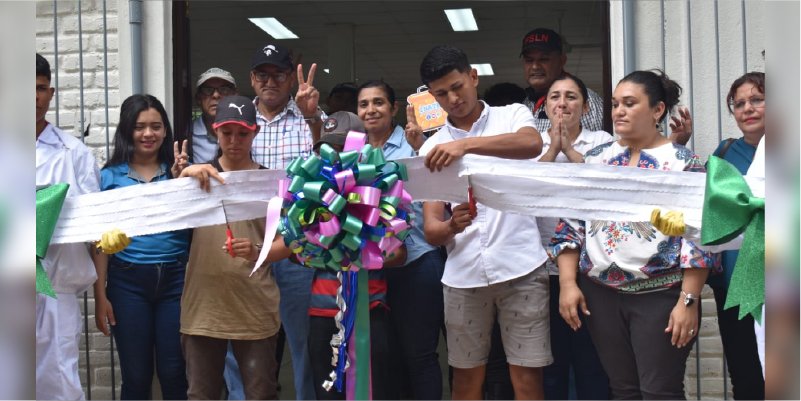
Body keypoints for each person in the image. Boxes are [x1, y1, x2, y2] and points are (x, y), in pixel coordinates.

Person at [551, 69, 719, 399]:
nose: (619, 112)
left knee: (659, 391)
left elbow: (699, 238)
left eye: (629, 103)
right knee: (623, 390)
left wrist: (688, 300)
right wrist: (568, 284)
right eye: (615, 104)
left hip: (660, 295)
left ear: (657, 110)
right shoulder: (596, 161)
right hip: (600, 294)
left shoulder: (682, 163)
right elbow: (570, 225)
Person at [417, 44, 550, 400]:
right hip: (463, 274)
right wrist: (451, 227)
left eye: (457, 86)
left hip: (520, 264)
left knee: (526, 380)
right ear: (432, 96)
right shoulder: (431, 150)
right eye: (441, 93)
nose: (453, 98)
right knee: (465, 380)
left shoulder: (511, 115)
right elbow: (432, 229)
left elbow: (531, 143)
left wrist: (467, 146)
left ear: (473, 76)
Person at [178, 95, 283, 400]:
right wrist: (182, 177)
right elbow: (163, 215)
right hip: (203, 308)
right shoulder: (196, 178)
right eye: (227, 132)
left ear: (255, 132)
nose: (234, 141)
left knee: (261, 393)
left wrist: (257, 250)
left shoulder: (270, 181)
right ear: (215, 131)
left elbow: (290, 242)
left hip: (254, 305)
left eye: (243, 133)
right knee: (201, 394)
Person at [94, 94, 190, 399]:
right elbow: (99, 244)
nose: (148, 134)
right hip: (126, 284)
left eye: (156, 126)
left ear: (165, 131)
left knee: (175, 372)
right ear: (126, 130)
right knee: (136, 377)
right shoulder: (108, 177)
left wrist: (182, 183)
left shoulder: (181, 173)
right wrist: (100, 297)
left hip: (177, 281)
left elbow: (198, 225)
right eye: (139, 127)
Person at [355, 81, 447, 399]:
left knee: (419, 356)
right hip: (371, 268)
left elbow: (439, 186)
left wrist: (421, 145)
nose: (371, 110)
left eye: (378, 102)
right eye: (364, 104)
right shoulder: (354, 153)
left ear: (393, 108)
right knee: (384, 357)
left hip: (418, 262)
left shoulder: (412, 144)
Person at [306, 112, 405, 400]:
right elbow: (295, 251)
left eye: (342, 148)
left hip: (369, 309)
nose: (335, 156)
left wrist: (364, 251)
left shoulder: (380, 190)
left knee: (373, 390)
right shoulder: (308, 193)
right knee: (326, 392)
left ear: (360, 149)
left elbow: (399, 252)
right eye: (328, 148)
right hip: (322, 311)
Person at [248, 42, 325, 399]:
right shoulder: (239, 122)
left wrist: (312, 117)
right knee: (246, 339)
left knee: (303, 342)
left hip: (297, 246)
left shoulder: (309, 117)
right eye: (262, 75)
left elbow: (333, 168)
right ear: (252, 79)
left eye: (278, 74)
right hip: (250, 246)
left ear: (288, 79)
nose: (270, 82)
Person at [536, 74, 612, 400]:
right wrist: (553, 150)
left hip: (590, 270)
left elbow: (604, 186)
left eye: (571, 97)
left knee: (591, 364)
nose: (562, 103)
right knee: (550, 366)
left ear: (585, 105)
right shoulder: (531, 143)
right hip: (541, 269)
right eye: (555, 97)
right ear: (545, 105)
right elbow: (526, 190)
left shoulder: (603, 141)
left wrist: (569, 148)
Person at [35, 52, 105, 401]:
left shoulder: (73, 153)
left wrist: (107, 237)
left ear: (50, 92)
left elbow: (95, 223)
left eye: (40, 88)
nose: (33, 98)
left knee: (59, 376)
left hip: (56, 287)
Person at [705, 71, 765, 400]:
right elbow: (709, 215)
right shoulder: (725, 153)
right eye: (739, 103)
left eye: (757, 99)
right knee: (746, 376)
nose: (747, 108)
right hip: (736, 284)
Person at [519, 28, 604, 134]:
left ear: (562, 60)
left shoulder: (586, 99)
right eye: (529, 60)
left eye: (544, 59)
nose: (535, 66)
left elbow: (597, 149)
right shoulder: (526, 103)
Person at [188, 67, 238, 163]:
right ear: (198, 98)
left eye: (224, 89)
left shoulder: (246, 131)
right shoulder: (187, 134)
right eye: (208, 90)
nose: (215, 95)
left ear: (235, 95)